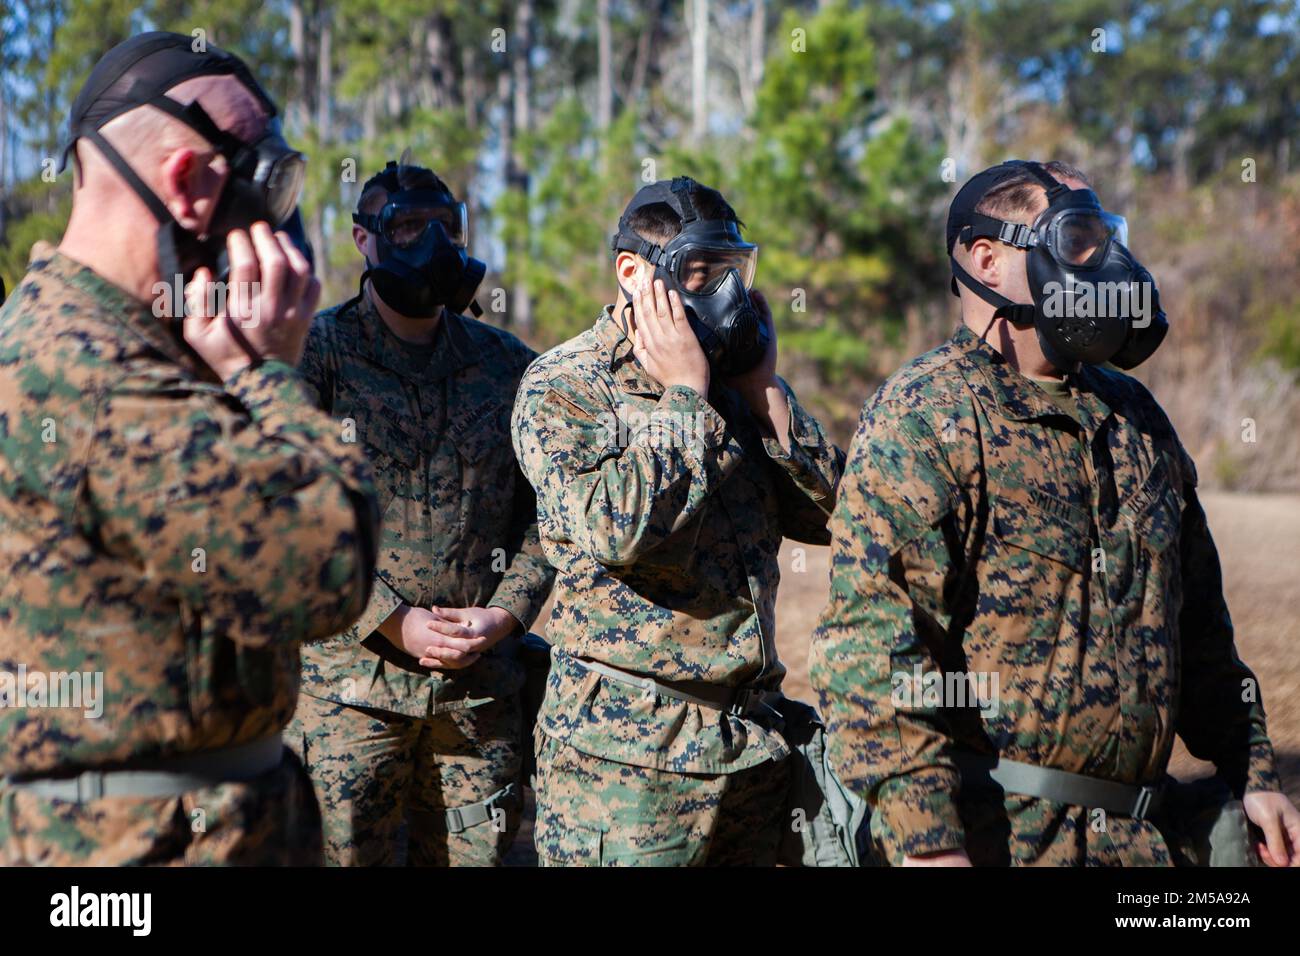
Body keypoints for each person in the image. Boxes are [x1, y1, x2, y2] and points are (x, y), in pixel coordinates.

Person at [811, 159, 1300, 867]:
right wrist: (926, 846)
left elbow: (1198, 629)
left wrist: (1255, 774)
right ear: (989, 260)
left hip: (1144, 843)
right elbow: (872, 645)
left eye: (1108, 238)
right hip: (1001, 840)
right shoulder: (927, 413)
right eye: (1077, 240)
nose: (1107, 264)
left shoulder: (1135, 414)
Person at [0, 32, 379, 865]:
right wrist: (266, 374)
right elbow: (326, 566)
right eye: (269, 183)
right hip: (132, 853)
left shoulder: (125, 342)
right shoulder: (84, 370)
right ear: (188, 186)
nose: (281, 222)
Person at [512, 176, 844, 865]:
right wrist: (687, 396)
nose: (722, 294)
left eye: (730, 272)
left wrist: (763, 394)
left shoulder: (732, 379)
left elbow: (827, 515)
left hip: (749, 747)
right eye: (699, 273)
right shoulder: (565, 385)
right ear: (633, 273)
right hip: (628, 766)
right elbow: (618, 529)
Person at [287, 159, 554, 866]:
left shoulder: (509, 366)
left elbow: (548, 513)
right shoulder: (317, 354)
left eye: (446, 227)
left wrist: (509, 613)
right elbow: (290, 513)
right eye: (407, 226)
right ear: (362, 239)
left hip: (479, 698)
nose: (431, 243)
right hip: (350, 694)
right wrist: (389, 619)